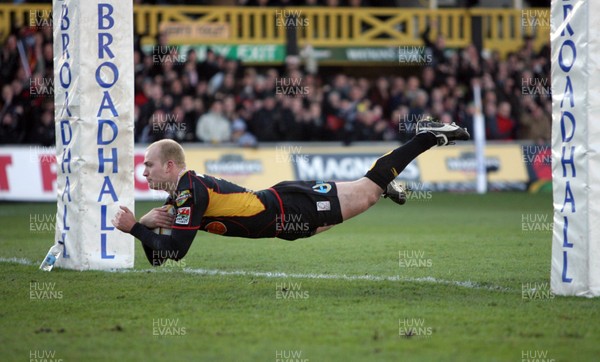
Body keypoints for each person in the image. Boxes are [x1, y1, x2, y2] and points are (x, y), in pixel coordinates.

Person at [111, 118, 470, 266]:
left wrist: (135, 229)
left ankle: (426, 135)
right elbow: (158, 259)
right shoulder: (181, 196)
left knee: (367, 194)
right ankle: (381, 180)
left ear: (170, 166)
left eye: (149, 165)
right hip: (285, 219)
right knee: (346, 208)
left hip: (288, 208)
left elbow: (175, 251)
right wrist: (142, 224)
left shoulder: (190, 192)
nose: (144, 171)